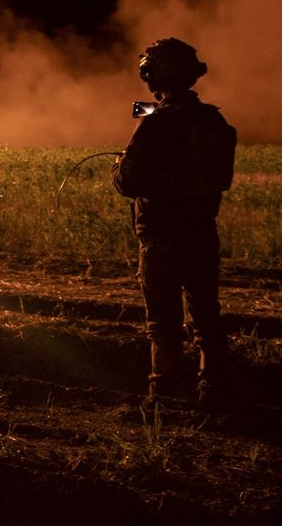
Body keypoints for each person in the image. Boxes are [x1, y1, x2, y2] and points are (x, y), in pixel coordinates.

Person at [112, 38, 237, 405]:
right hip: (201, 232)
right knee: (205, 315)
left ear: (152, 74)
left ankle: (162, 396)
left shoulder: (157, 123)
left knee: (163, 323)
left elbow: (128, 182)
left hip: (162, 237)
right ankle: (214, 391)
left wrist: (118, 165)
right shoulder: (213, 120)